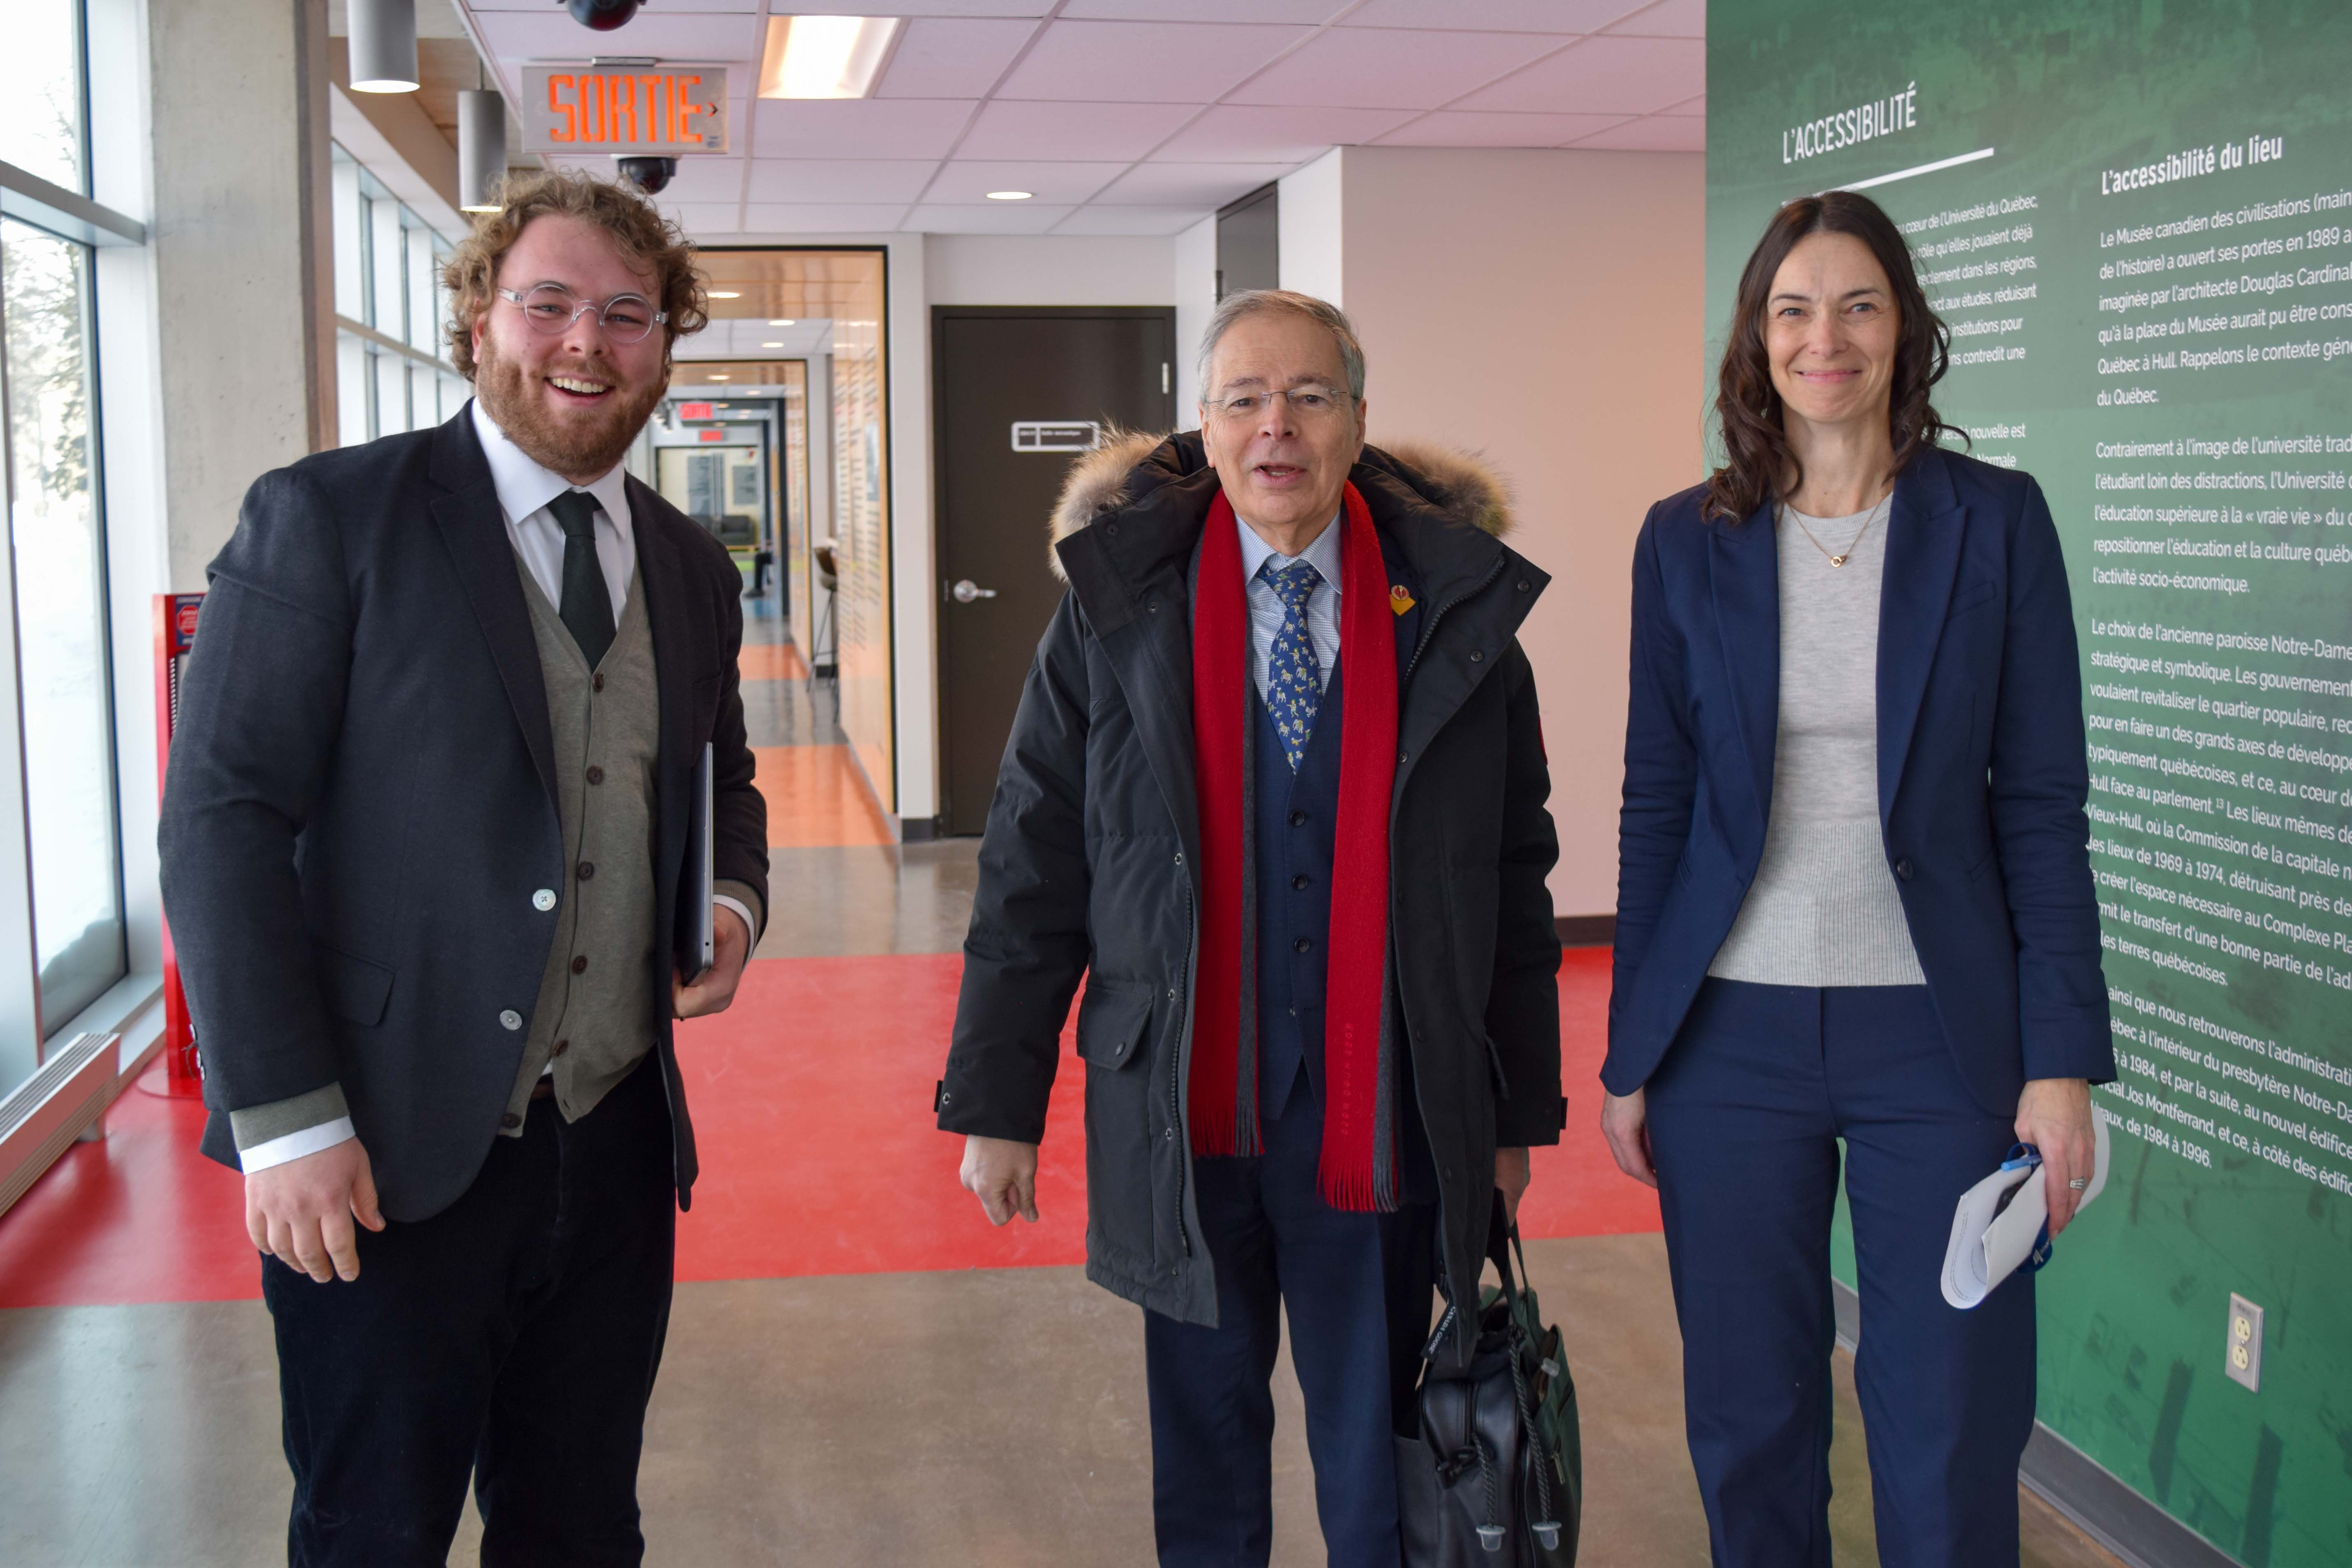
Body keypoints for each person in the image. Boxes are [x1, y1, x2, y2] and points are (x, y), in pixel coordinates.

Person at [158, 169, 767, 1567]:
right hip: (381, 1151)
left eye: (626, 314)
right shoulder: (328, 521)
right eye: (547, 303)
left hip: (611, 1145)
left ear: (663, 344)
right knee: (375, 1526)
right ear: (479, 318)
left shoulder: (688, 566)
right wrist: (289, 1122)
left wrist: (731, 899)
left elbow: (720, 776)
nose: (584, 343)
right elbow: (222, 819)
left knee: (578, 1523)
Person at [936, 289, 1564, 1567]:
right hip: (1184, 1114)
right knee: (1206, 1450)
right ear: (1205, 430)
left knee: (1377, 1461)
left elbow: (1512, 886)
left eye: (1308, 396)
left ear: (1356, 421)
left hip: (1378, 1119)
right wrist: (996, 1100)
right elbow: (1031, 859)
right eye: (1244, 399)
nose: (1276, 425)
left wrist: (1513, 1120)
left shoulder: (1459, 622)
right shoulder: (1117, 614)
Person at [1600, 190, 2113, 1567]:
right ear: (1756, 338)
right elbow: (1656, 804)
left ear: (1906, 329)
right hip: (1726, 1036)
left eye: (1858, 304)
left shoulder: (1992, 522)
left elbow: (2043, 808)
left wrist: (2057, 1061)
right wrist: (1630, 1049)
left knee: (1947, 1414)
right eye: (1792, 309)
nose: (1824, 337)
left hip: (1938, 1039)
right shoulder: (1684, 537)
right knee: (1748, 1416)